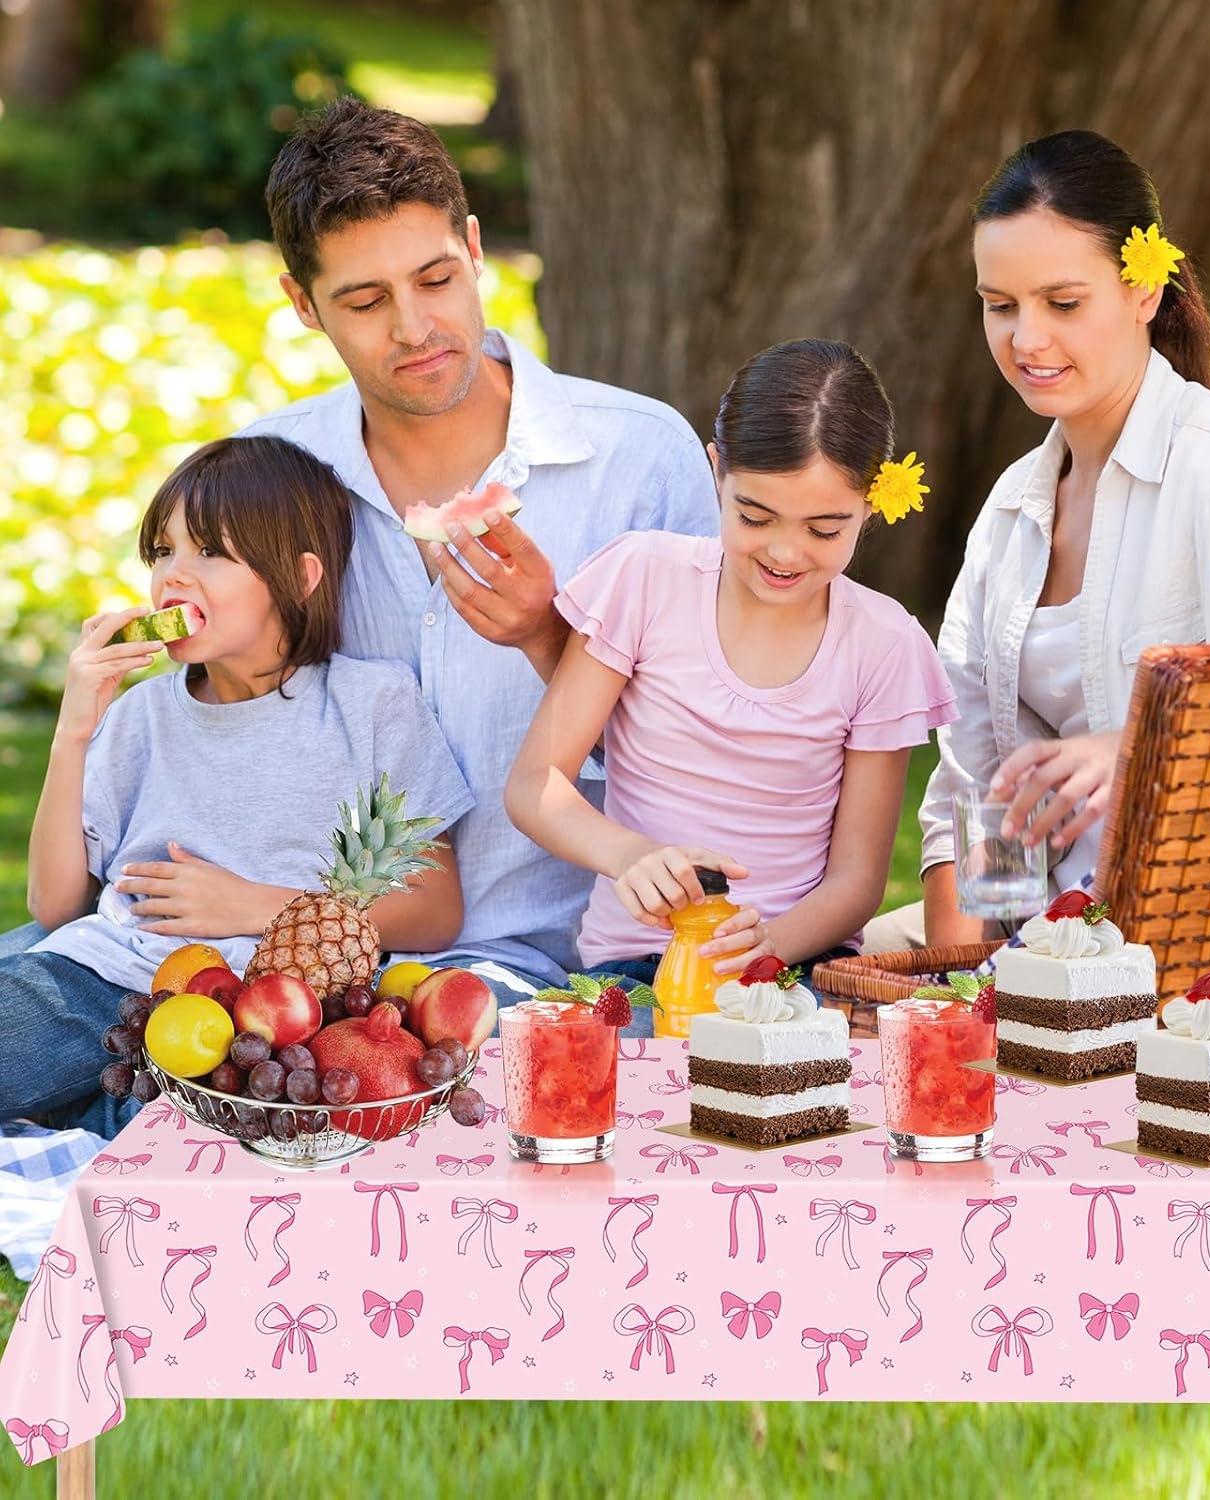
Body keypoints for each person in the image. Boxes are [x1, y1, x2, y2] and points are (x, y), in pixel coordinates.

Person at [235, 97, 719, 1004]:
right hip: (308, 950)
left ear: (476, 247)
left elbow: (716, 746)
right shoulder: (269, 476)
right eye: (366, 300)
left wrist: (549, 639)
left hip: (558, 962)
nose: (415, 328)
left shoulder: (640, 455)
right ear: (303, 305)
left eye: (436, 278)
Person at [866, 129, 1210, 953]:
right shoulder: (1010, 511)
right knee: (833, 975)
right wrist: (957, 989)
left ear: (1145, 292)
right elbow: (973, 789)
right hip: (1045, 936)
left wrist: (1143, 750)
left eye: (1062, 303)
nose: (1026, 340)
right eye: (1000, 305)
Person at [7, 437, 473, 1137]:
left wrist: (252, 905)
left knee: (205, 1121)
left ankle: (96, 1108)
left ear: (299, 577)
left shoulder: (371, 704)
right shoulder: (140, 716)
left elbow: (436, 910)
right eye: (162, 552)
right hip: (105, 979)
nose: (174, 578)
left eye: (210, 553)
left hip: (278, 1022)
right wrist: (73, 733)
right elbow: (53, 903)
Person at [505, 339, 956, 1029]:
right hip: (635, 972)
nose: (784, 551)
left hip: (792, 970)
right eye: (754, 516)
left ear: (872, 503)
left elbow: (859, 879)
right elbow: (536, 783)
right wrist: (632, 856)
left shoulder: (883, 643)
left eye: (824, 528)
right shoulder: (645, 578)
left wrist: (768, 947)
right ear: (717, 472)